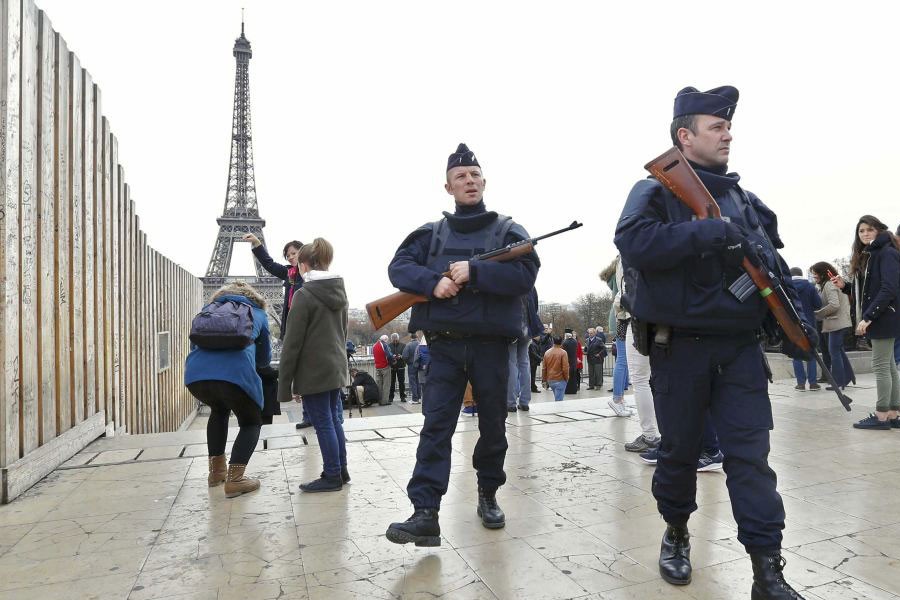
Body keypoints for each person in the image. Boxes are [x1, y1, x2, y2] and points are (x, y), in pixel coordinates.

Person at [615, 85, 809, 598]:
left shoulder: (744, 199)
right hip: (678, 350)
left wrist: (795, 323)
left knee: (750, 459)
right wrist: (708, 233)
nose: (728, 134)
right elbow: (633, 243)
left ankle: (768, 570)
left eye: (728, 127)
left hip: (739, 350)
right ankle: (676, 532)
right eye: (716, 127)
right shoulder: (655, 191)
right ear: (685, 136)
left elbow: (771, 266)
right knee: (679, 454)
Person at [384, 143, 539, 545]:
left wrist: (476, 272)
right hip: (445, 347)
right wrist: (432, 282)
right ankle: (425, 511)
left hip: (490, 347)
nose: (468, 181)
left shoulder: (508, 231)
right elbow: (398, 267)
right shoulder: (430, 234)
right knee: (436, 427)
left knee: (493, 427)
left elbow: (525, 275)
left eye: (474, 175)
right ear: (448, 187)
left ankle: (488, 493)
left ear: (484, 181)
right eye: (460, 177)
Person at [185, 281, 270, 498]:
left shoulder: (208, 310)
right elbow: (264, 359)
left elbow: (195, 345)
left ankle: (216, 472)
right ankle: (236, 479)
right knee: (251, 421)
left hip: (197, 376)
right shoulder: (258, 313)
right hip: (235, 376)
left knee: (219, 411)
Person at [278, 238, 350, 492]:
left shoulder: (304, 295)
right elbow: (342, 332)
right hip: (335, 367)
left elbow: (292, 344)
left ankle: (332, 475)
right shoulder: (339, 292)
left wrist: (285, 384)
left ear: (305, 265)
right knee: (333, 420)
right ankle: (340, 469)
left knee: (323, 422)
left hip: (314, 370)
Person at [831, 215, 900, 429]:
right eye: (861, 231)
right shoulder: (871, 254)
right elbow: (869, 292)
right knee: (888, 366)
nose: (865, 234)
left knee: (881, 366)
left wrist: (868, 317)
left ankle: (881, 416)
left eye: (870, 229)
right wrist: (845, 286)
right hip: (885, 316)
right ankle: (893, 413)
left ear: (878, 230)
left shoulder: (886, 253)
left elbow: (889, 288)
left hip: (883, 317)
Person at [242, 233, 310, 428]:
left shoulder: (310, 276)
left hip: (305, 328)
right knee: (300, 372)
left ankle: (317, 415)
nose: (290, 257)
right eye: (287, 255)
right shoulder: (289, 274)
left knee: (307, 372)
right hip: (292, 329)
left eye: (293, 253)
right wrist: (257, 244)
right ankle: (308, 415)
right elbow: (269, 264)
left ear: (303, 253)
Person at [810, 262, 854, 389]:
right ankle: (848, 377)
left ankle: (838, 382)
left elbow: (834, 305)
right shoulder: (830, 283)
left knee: (834, 351)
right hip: (838, 322)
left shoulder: (829, 285)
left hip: (836, 323)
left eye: (815, 273)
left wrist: (817, 314)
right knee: (838, 350)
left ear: (823, 273)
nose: (814, 276)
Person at [508, 288, 542, 412]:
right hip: (528, 327)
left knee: (511, 364)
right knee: (524, 363)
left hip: (511, 327)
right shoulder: (529, 283)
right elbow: (535, 305)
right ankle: (525, 401)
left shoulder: (507, 279)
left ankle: (510, 402)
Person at [609, 256, 635, 416]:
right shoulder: (625, 260)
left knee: (623, 360)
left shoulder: (619, 262)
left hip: (619, 315)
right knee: (623, 360)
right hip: (623, 315)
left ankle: (620, 399)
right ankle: (617, 399)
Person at [789, 267, 823, 391]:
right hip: (809, 324)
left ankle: (800, 383)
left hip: (793, 325)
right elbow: (818, 304)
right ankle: (813, 383)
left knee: (796, 354)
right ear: (801, 274)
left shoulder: (787, 286)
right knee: (812, 353)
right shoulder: (810, 286)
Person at [541, 336, 569, 401]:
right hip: (560, 379)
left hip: (550, 379)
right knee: (559, 401)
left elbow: (544, 368)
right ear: (561, 342)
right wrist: (566, 378)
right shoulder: (563, 353)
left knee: (557, 398)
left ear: (553, 342)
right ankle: (558, 411)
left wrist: (544, 380)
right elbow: (565, 368)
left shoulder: (547, 352)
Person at [373, 334, 393, 405]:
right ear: (385, 340)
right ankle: (385, 401)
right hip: (385, 367)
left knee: (379, 385)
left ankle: (379, 400)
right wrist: (391, 363)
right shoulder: (384, 345)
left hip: (378, 367)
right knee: (386, 384)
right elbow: (389, 355)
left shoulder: (374, 345)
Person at [402, 333, 421, 405]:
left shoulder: (408, 345)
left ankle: (414, 399)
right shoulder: (420, 344)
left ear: (411, 337)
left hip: (411, 365)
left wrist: (408, 362)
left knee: (412, 382)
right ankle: (419, 398)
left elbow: (404, 356)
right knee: (418, 382)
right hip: (419, 365)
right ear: (417, 337)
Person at [388, 333, 407, 402]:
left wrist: (401, 356)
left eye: (396, 339)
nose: (395, 340)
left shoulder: (403, 345)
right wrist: (392, 357)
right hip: (392, 367)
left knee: (401, 382)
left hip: (401, 366)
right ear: (391, 339)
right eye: (393, 339)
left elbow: (405, 355)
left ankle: (402, 397)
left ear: (398, 339)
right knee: (391, 383)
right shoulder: (388, 346)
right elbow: (387, 356)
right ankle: (391, 397)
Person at [414, 334, 431, 405]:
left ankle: (424, 401)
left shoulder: (418, 347)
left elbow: (416, 358)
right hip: (430, 368)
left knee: (423, 386)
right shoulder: (431, 346)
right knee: (431, 385)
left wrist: (416, 367)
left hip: (421, 369)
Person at [562, 330, 579, 395]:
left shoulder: (565, 342)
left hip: (567, 361)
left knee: (567, 376)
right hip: (574, 361)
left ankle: (567, 390)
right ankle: (574, 390)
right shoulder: (575, 341)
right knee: (573, 377)